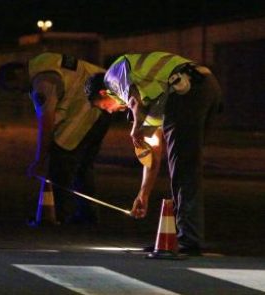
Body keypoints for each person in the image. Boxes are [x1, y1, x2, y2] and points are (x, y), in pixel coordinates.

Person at [85, 52, 222, 254]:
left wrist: (136, 128)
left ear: (104, 94)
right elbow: (153, 152)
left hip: (186, 91)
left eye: (104, 107)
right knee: (187, 166)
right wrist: (143, 194)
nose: (110, 112)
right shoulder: (153, 99)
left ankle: (188, 240)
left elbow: (133, 99)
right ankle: (184, 237)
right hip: (207, 87)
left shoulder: (112, 77)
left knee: (184, 169)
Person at [0, 52, 114, 224]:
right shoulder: (43, 61)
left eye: (15, 87)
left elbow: (47, 123)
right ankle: (88, 214)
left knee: (61, 160)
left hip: (90, 107)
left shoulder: (42, 83)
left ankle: (58, 214)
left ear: (18, 74)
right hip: (104, 101)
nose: (20, 92)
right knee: (83, 165)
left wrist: (40, 159)